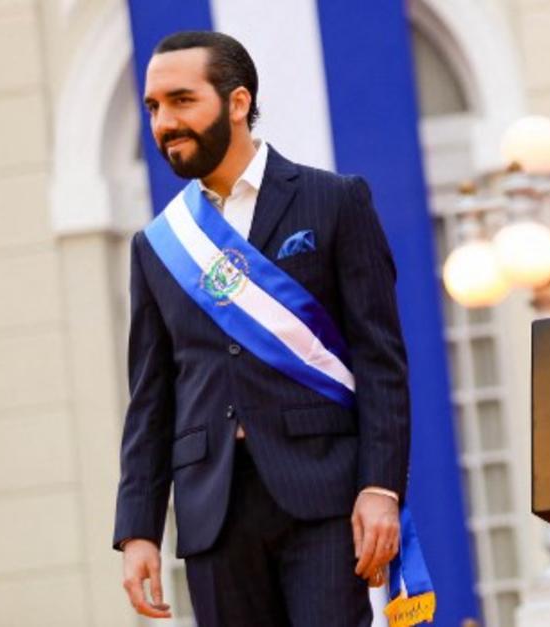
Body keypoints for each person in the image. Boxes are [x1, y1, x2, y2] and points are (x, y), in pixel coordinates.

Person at [112, 30, 410, 626]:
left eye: (181, 100)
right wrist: (138, 530)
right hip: (212, 511)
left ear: (238, 102)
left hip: (322, 497)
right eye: (153, 107)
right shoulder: (158, 246)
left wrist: (381, 487)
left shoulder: (334, 201)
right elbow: (150, 400)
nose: (164, 122)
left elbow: (381, 361)